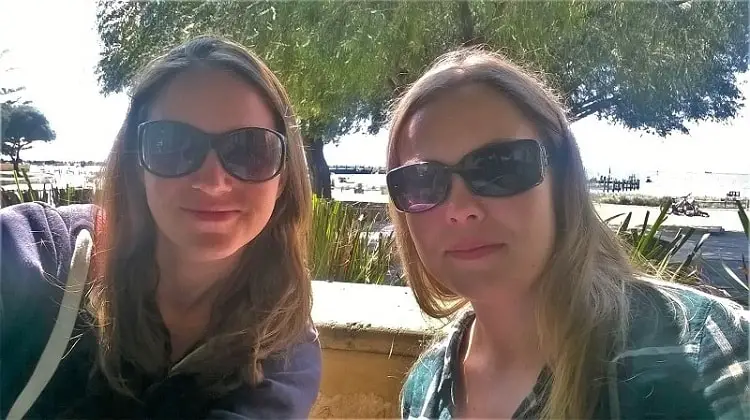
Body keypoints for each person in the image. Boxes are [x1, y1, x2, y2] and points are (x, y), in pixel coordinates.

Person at [387, 48, 749, 419]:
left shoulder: (705, 353)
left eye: (499, 167)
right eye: (422, 181)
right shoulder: (425, 388)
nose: (462, 210)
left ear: (563, 180)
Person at [1, 36, 321, 419]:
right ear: (136, 164)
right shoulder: (49, 251)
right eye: (172, 145)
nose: (213, 181)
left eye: (250, 150)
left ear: (284, 176)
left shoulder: (284, 350)